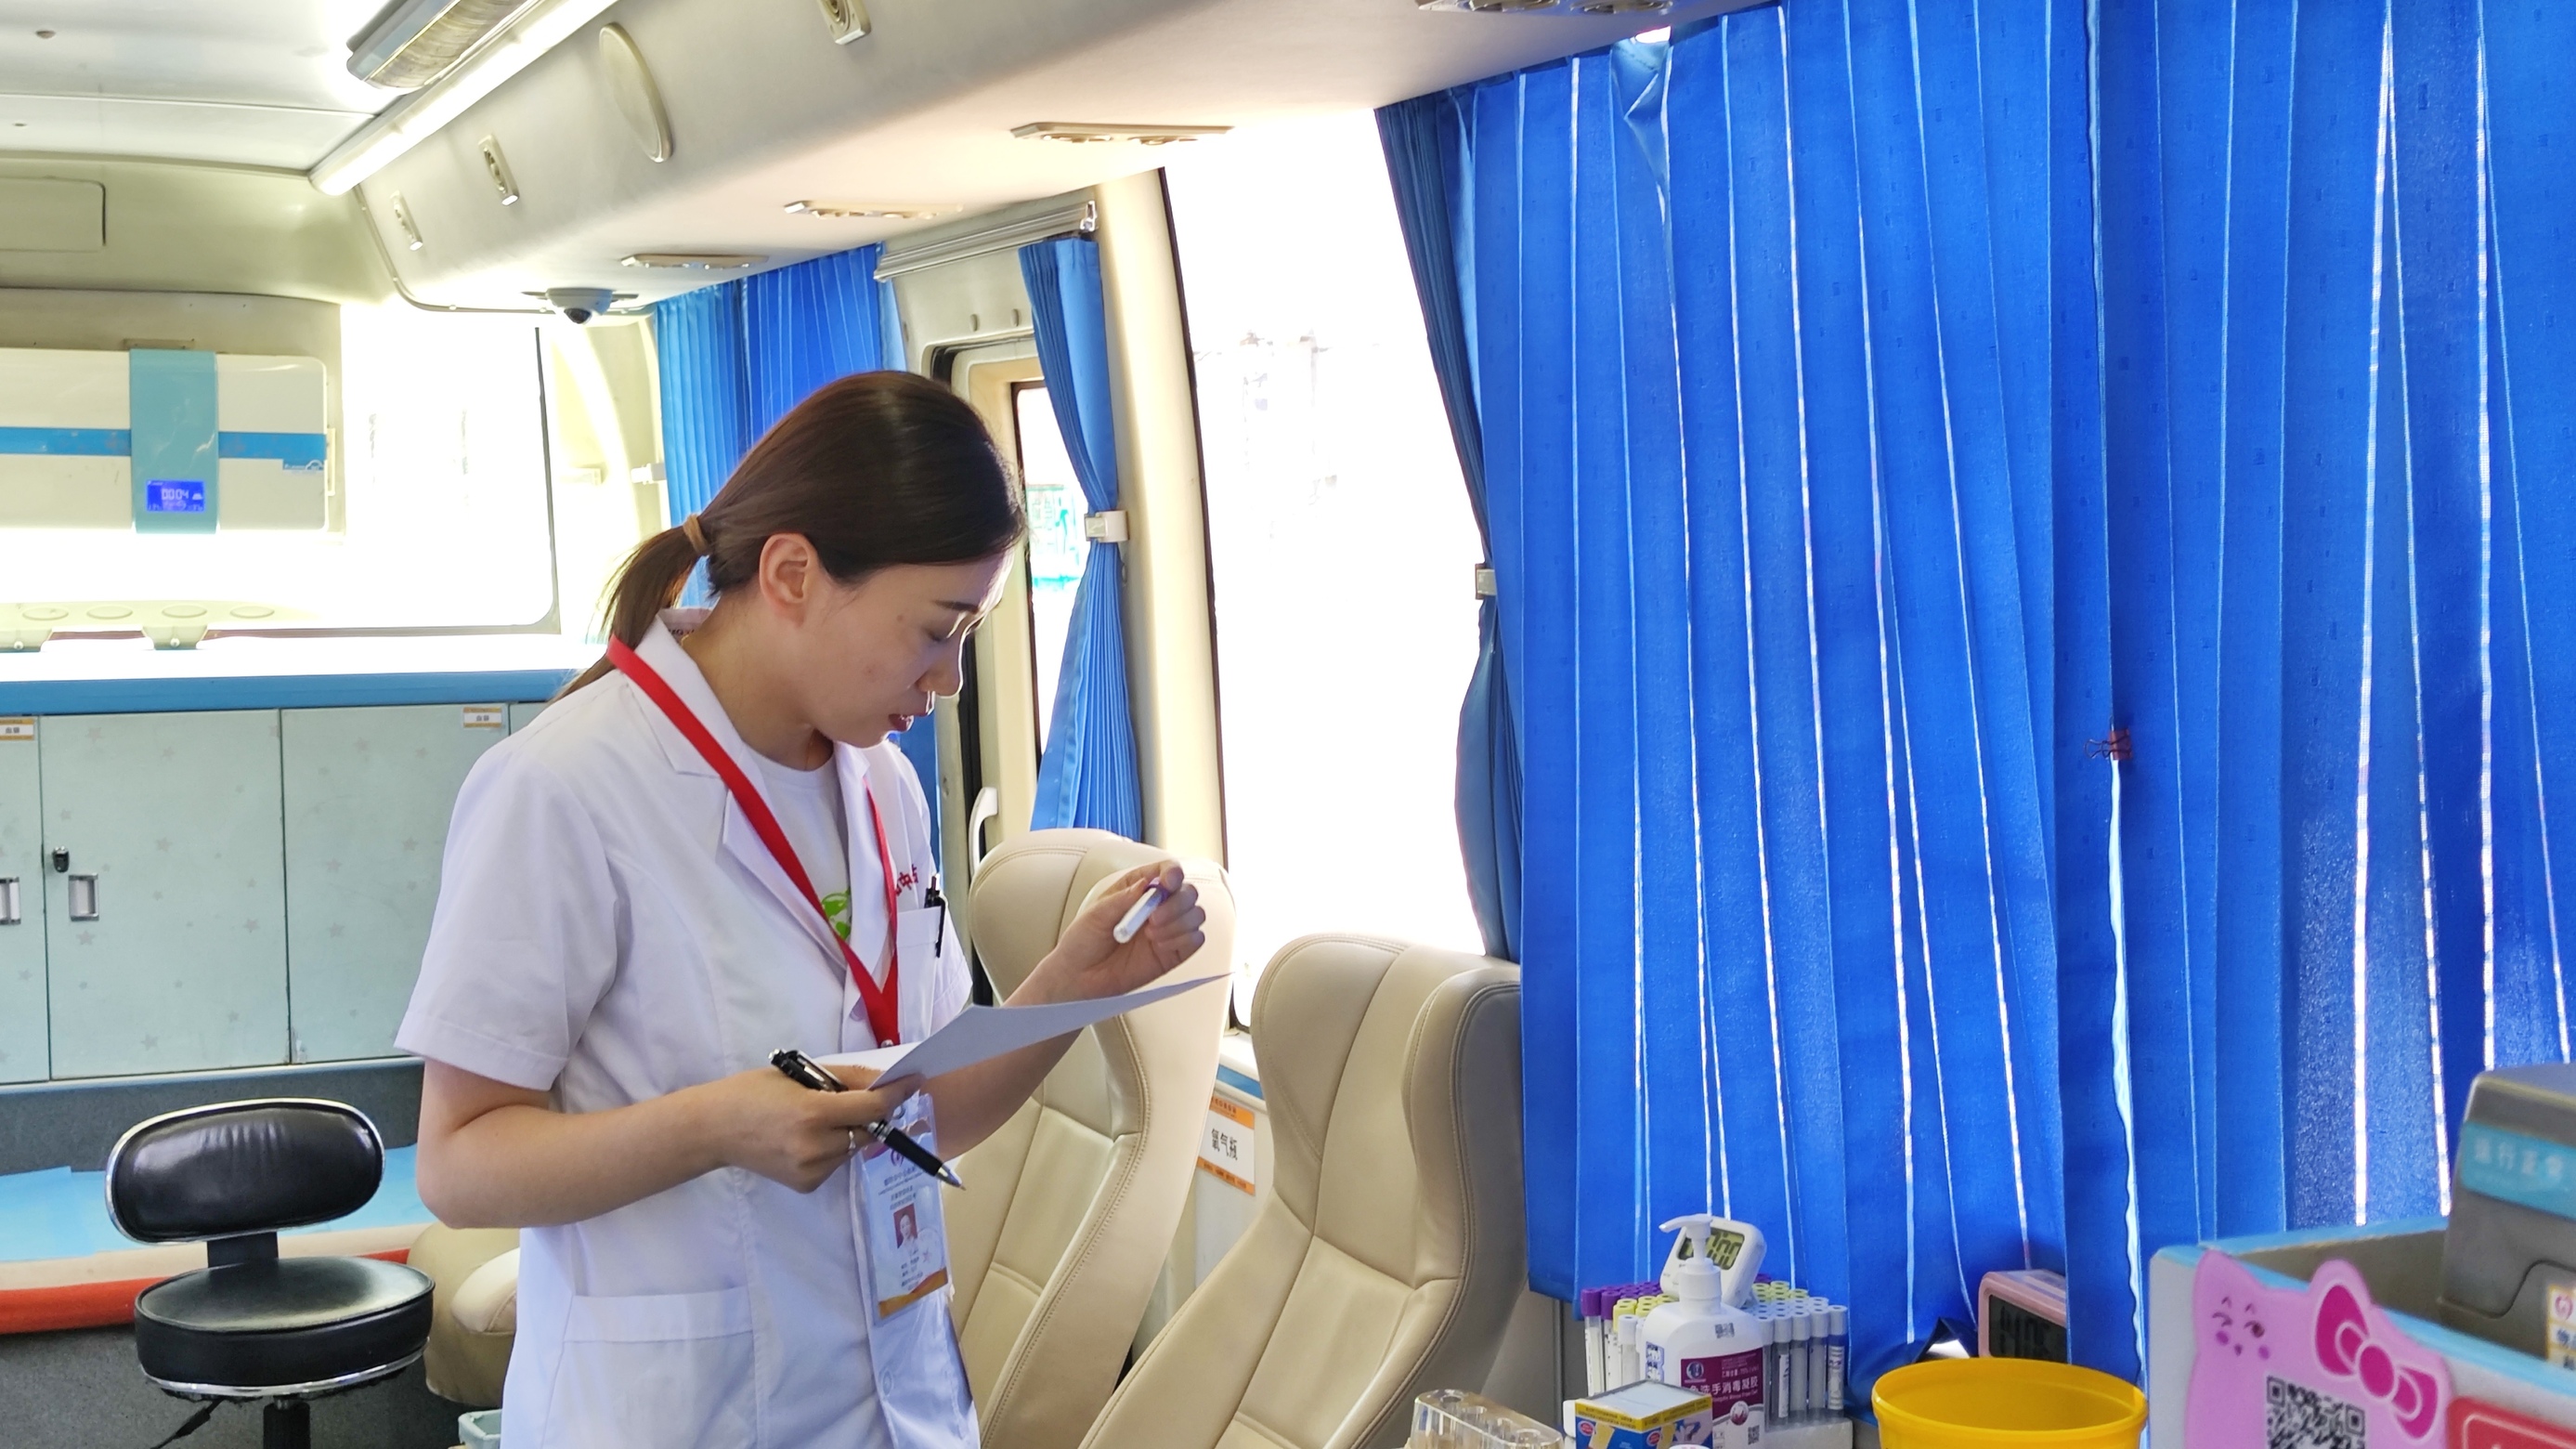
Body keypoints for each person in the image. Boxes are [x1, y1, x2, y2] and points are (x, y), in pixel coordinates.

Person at [398, 371, 1204, 1449]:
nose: (951, 681)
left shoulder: (883, 787)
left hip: (895, 1406)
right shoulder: (563, 788)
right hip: (679, 1416)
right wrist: (714, 1127)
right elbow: (458, 1165)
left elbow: (914, 1110)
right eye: (936, 631)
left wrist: (1072, 985)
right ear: (791, 574)